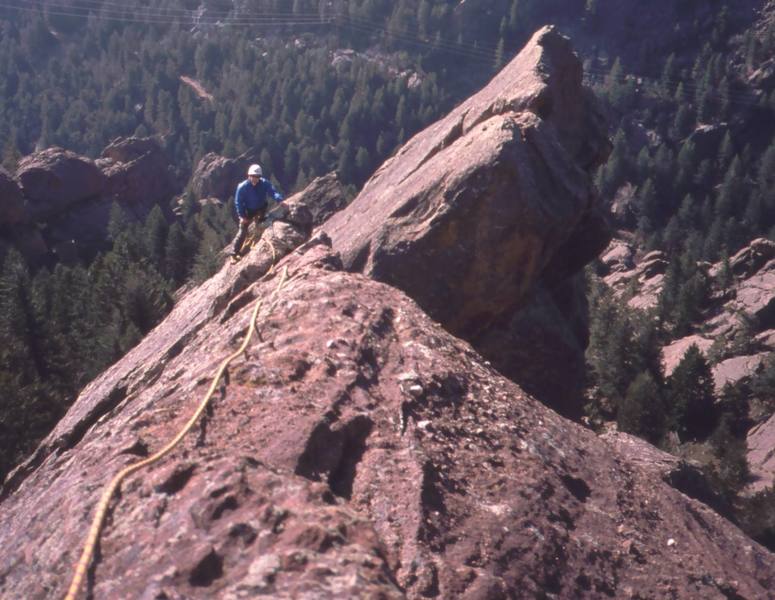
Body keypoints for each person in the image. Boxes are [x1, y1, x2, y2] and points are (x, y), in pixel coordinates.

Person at [231, 163, 283, 259]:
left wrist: (280, 200)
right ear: (249, 176)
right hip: (248, 211)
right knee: (242, 231)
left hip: (260, 209)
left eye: (257, 176)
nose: (255, 178)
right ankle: (234, 253)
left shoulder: (264, 183)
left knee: (261, 223)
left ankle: (259, 225)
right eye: (253, 176)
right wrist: (242, 216)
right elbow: (238, 202)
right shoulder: (242, 187)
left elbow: (273, 192)